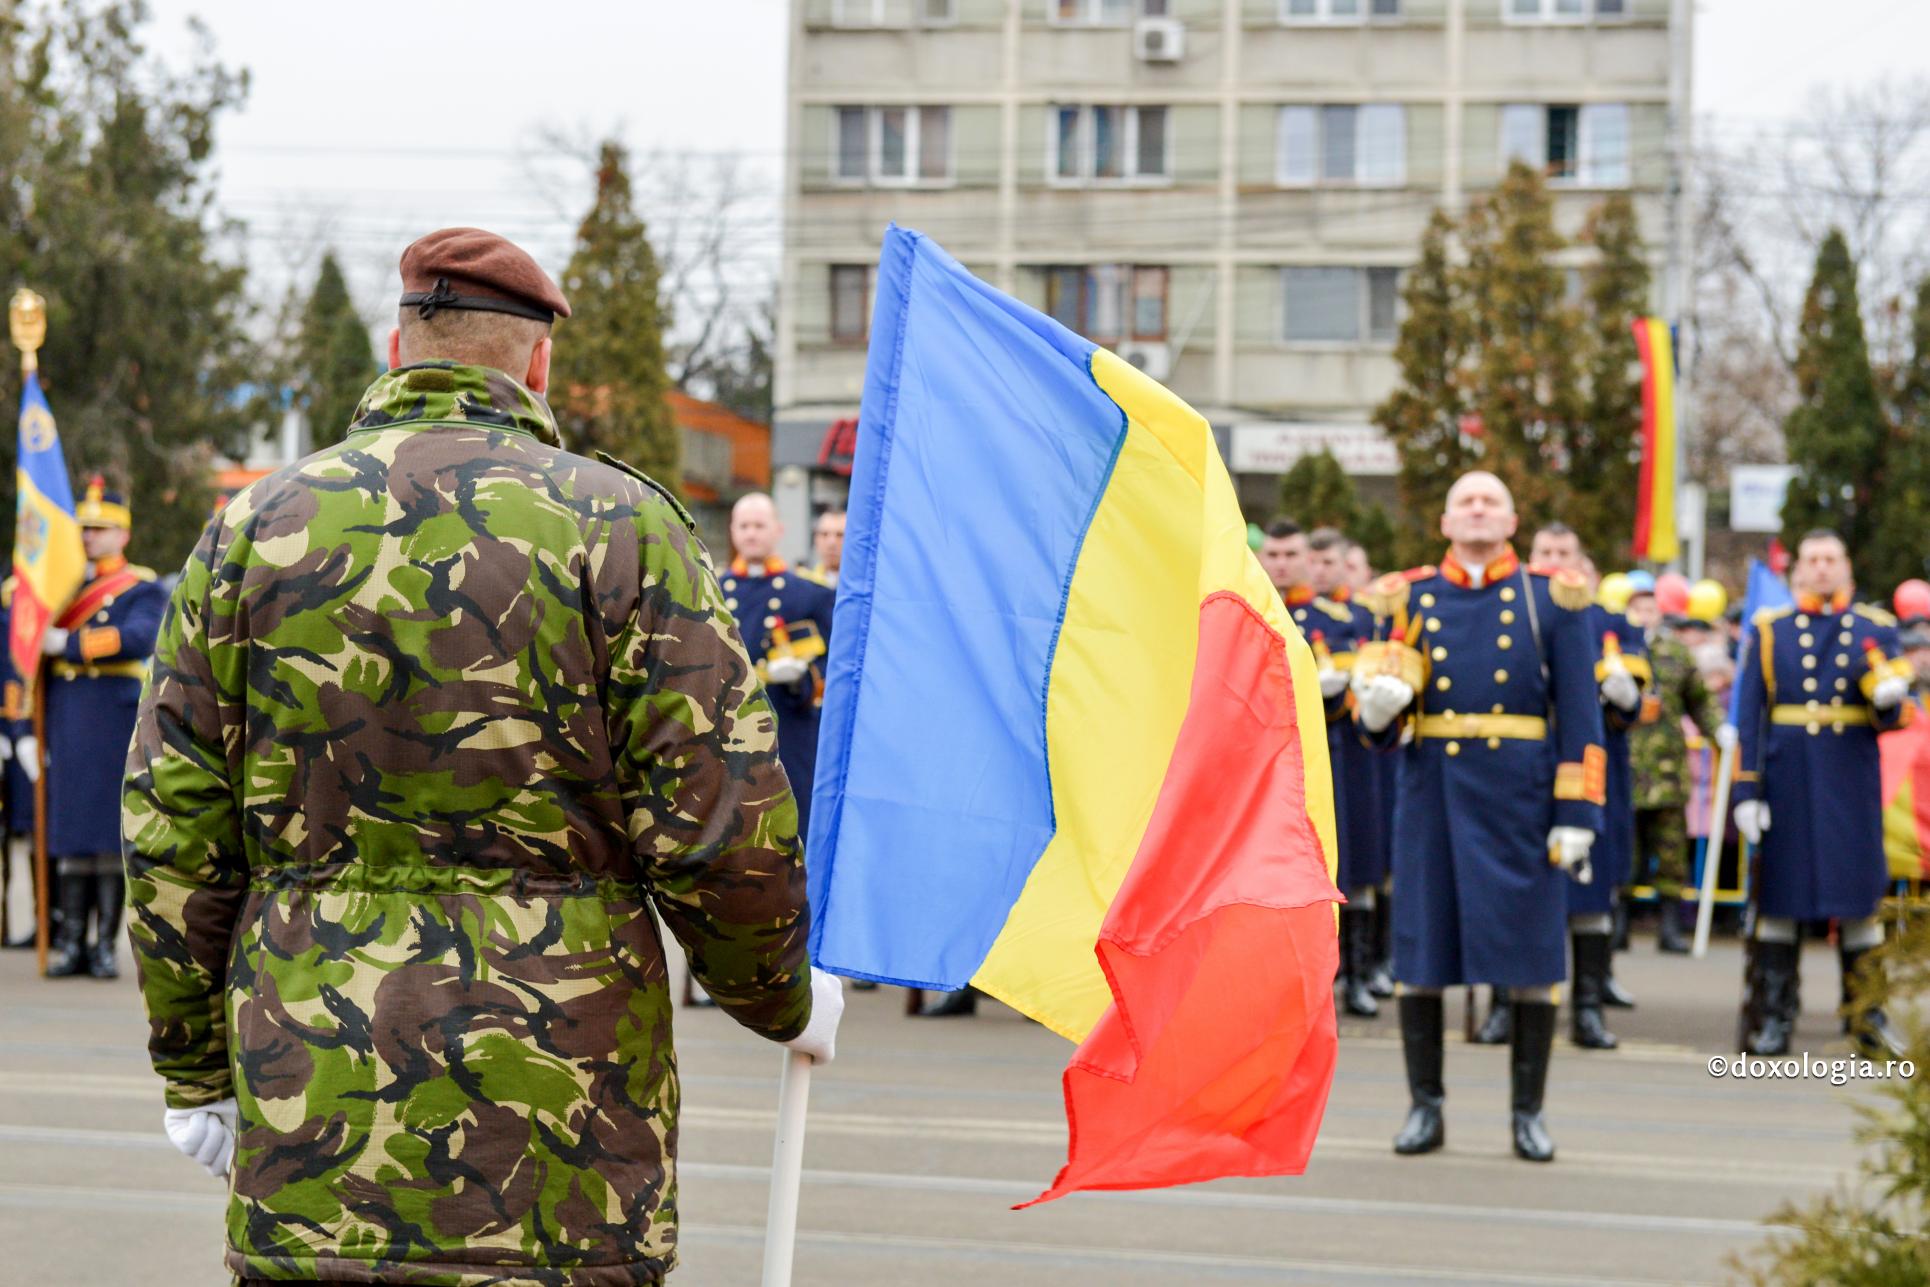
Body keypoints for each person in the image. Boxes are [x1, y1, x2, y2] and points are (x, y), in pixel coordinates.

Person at [122, 227, 840, 1286]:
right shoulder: (626, 529)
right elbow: (714, 820)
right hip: (559, 1141)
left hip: (315, 1101)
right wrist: (781, 993)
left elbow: (171, 824)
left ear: (396, 346)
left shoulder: (252, 530)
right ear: (538, 362)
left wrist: (193, 1070)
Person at [1355, 472, 1604, 1162]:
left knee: (1529, 956)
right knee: (1422, 953)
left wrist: (1577, 809)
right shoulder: (1406, 597)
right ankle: (1425, 1106)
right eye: (1465, 500)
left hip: (1520, 799)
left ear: (1513, 518)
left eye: (1490, 500)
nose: (1477, 509)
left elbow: (1581, 715)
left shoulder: (1550, 597)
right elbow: (1379, 704)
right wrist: (1374, 713)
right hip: (1432, 791)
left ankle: (1528, 1112)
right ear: (1443, 520)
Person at [1731, 530, 1912, 1058]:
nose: (1822, 568)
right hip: (1786, 779)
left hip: (1847, 779)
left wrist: (1888, 700)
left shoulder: (1874, 629)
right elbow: (1750, 717)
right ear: (1797, 572)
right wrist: (1747, 791)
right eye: (1813, 560)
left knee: (1858, 901)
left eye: (1832, 558)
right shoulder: (1771, 633)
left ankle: (1865, 1018)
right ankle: (1775, 1016)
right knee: (1780, 901)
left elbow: (1893, 717)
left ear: (1847, 568)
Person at [1490, 522, 1644, 1052]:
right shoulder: (1503, 609)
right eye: (1545, 552)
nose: (1554, 561)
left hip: (1588, 769)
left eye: (1565, 552)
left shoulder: (1611, 622)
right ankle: (1503, 1006)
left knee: (1589, 893)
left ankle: (1587, 1009)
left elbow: (1635, 709)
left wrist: (1624, 698)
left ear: (1584, 564)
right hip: (1519, 771)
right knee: (1511, 889)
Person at [25, 479, 166, 978]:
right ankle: (71, 944)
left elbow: (139, 636)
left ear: (122, 535)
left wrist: (68, 644)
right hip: (66, 718)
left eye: (101, 529)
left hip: (110, 717)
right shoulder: (63, 589)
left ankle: (104, 945)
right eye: (85, 529)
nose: (90, 537)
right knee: (67, 835)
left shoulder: (141, 587)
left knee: (106, 838)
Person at [1304, 527, 1388, 1018]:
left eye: (1326, 562)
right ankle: (1319, 976)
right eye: (1310, 561)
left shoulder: (1363, 618)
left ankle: (1358, 973)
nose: (1319, 570)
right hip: (1310, 750)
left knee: (1357, 865)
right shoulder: (1292, 613)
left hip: (1357, 753)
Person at [1625, 581, 1726, 953]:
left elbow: (1700, 701)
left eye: (1650, 608)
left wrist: (1719, 732)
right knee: (1624, 851)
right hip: (1625, 770)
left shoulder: (1676, 653)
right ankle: (1618, 925)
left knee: (1670, 852)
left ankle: (1669, 928)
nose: (1644, 615)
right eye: (1637, 608)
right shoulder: (1614, 648)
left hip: (1666, 769)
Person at [801, 507, 846, 589]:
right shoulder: (803, 584)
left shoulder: (863, 586)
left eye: (840, 535)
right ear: (815, 539)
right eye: (824, 534)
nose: (831, 543)